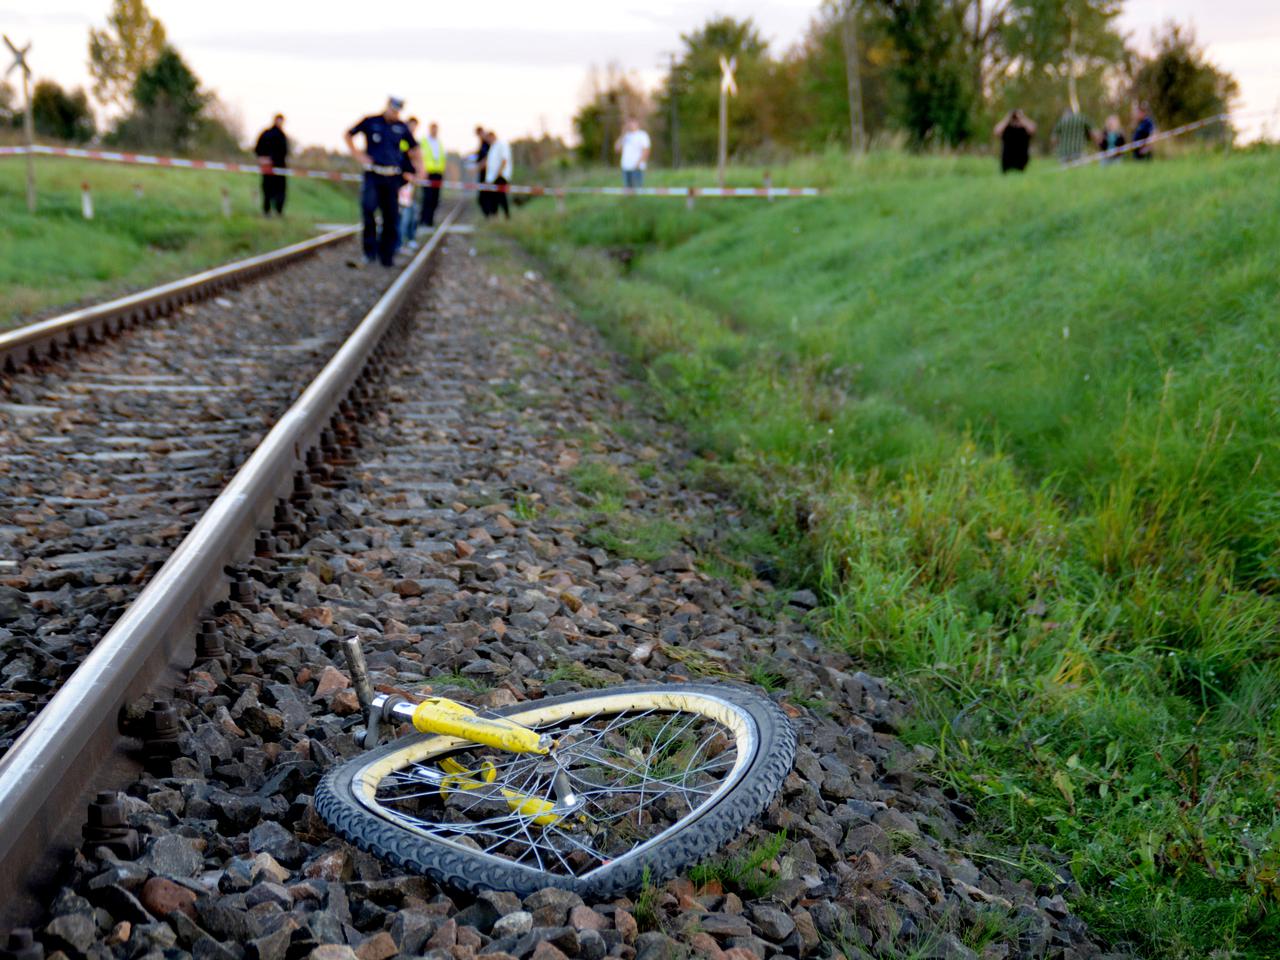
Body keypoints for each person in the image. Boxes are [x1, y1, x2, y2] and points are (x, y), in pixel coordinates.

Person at [344, 97, 421, 268]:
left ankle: (387, 256)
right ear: (387, 107)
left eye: (397, 111)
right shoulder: (371, 122)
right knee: (368, 210)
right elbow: (348, 135)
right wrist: (358, 155)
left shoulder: (401, 127)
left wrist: (419, 169)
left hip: (392, 177)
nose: (395, 114)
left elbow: (415, 148)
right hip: (373, 174)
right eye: (393, 110)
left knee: (391, 217)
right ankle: (369, 252)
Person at [253, 114, 288, 215]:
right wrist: (265, 159)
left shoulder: (276, 134)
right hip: (272, 167)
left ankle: (276, 211)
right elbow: (258, 149)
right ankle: (270, 211)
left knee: (273, 190)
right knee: (270, 190)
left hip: (277, 167)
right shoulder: (270, 134)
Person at [397, 117, 421, 252]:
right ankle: (399, 243)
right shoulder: (401, 142)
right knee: (404, 214)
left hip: (410, 183)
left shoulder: (413, 142)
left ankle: (407, 240)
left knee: (411, 212)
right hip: (402, 183)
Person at [419, 121, 446, 230]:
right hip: (427, 173)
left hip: (438, 173)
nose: (434, 131)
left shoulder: (439, 143)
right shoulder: (424, 142)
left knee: (435, 198)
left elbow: (442, 158)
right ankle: (423, 221)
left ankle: (430, 221)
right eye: (433, 128)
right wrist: (422, 171)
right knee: (427, 198)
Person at [993, 109, 1035, 173]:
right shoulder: (1006, 128)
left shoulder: (1024, 129)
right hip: (1007, 161)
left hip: (1022, 161)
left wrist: (1021, 117)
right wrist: (1008, 117)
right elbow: (996, 131)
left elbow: (1033, 129)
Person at [483, 130, 512, 220]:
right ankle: (495, 216)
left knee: (501, 197)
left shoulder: (501, 144)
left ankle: (507, 216)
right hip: (492, 178)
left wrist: (500, 172)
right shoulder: (493, 147)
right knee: (493, 198)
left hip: (500, 176)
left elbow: (504, 159)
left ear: (492, 136)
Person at [615, 117, 650, 188]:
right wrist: (622, 134)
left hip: (637, 168)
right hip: (626, 167)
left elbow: (646, 150)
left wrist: (638, 163)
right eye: (629, 123)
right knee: (628, 191)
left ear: (637, 123)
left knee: (638, 190)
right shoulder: (625, 136)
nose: (631, 125)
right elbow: (617, 149)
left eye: (633, 122)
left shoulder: (642, 135)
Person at [471, 125, 491, 217]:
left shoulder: (487, 143)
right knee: (482, 198)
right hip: (483, 173)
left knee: (485, 197)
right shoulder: (482, 143)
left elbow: (488, 158)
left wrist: (478, 167)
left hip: (487, 174)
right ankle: (488, 217)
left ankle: (489, 216)